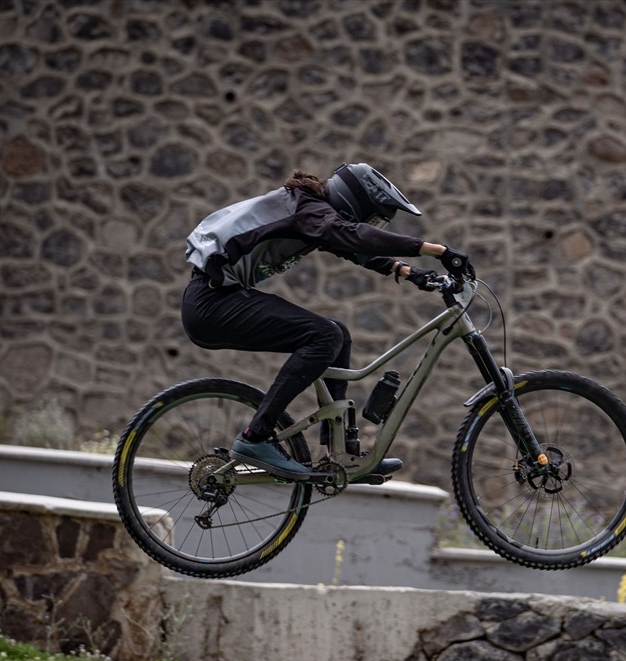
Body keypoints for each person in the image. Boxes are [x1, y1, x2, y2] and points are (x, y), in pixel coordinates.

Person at [181, 162, 469, 479]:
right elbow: (353, 236)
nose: (370, 223)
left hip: (217, 300)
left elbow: (350, 247)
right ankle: (255, 436)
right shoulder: (309, 209)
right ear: (354, 203)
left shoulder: (308, 210)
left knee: (338, 334)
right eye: (371, 216)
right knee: (323, 335)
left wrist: (406, 271)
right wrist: (435, 250)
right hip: (212, 302)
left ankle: (340, 453)